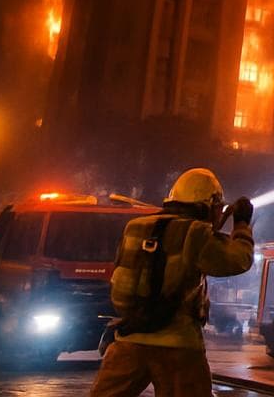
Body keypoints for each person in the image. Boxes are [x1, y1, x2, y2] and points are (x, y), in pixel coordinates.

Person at [89, 168, 254, 397]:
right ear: (210, 204)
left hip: (129, 339)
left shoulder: (136, 227)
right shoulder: (197, 233)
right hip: (179, 347)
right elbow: (238, 260)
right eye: (218, 209)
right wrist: (242, 225)